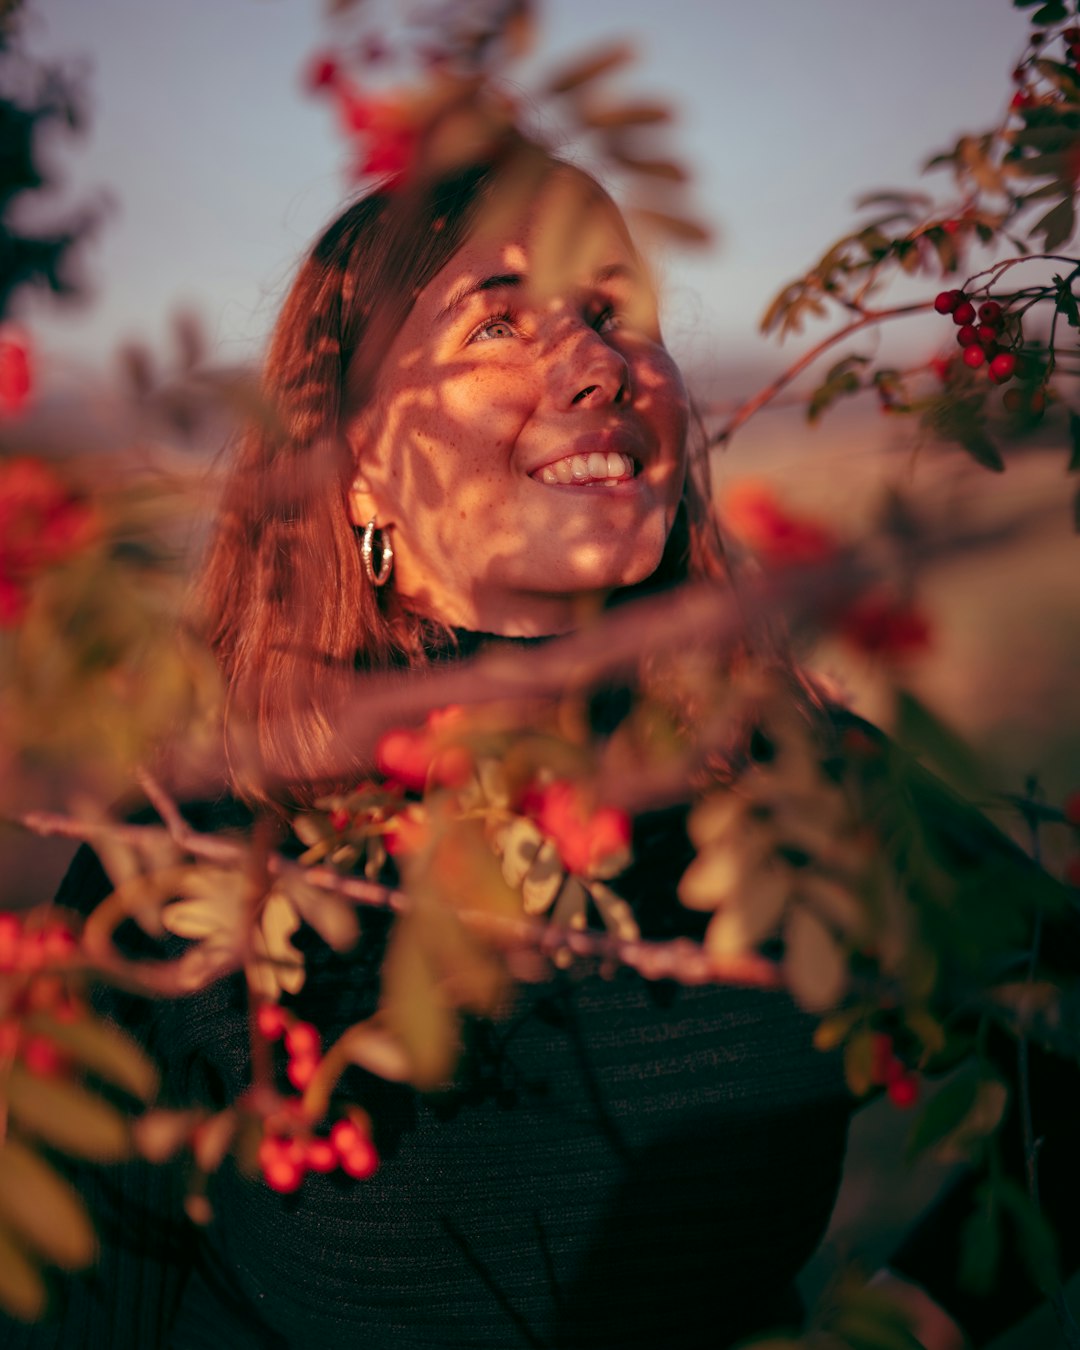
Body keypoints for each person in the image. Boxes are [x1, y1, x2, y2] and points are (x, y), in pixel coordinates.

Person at [2, 150, 1076, 1350]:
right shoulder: (203, 852)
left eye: (616, 314)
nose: (597, 363)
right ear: (354, 470)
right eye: (498, 327)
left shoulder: (799, 783)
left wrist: (914, 1320)